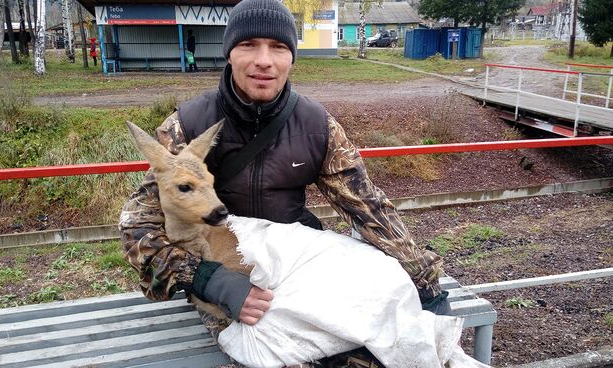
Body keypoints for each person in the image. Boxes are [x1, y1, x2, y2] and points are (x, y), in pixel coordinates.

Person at [120, 0, 447, 366]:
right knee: (288, 358)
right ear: (229, 53)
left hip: (298, 263)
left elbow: (368, 208)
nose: (264, 60)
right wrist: (207, 279)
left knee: (379, 345)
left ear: (292, 57)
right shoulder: (188, 126)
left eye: (278, 47)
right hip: (230, 277)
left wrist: (425, 284)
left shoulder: (316, 125)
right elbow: (138, 225)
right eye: (249, 45)